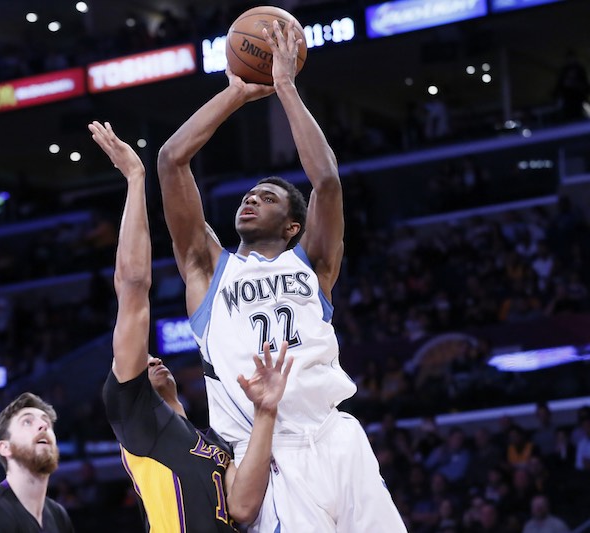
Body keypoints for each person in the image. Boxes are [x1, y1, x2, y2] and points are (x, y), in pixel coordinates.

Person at [157, 19, 405, 532]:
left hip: (336, 436)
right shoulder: (207, 268)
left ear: (293, 226)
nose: (251, 198)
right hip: (265, 452)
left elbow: (327, 180)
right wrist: (235, 94)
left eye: (267, 197)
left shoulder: (312, 263)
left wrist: (286, 86)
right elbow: (171, 161)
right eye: (249, 195)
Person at [90, 120, 292, 531]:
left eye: (150, 357)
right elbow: (133, 287)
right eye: (142, 362)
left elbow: (243, 508)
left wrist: (266, 411)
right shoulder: (137, 417)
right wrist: (134, 179)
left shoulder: (214, 441)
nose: (153, 358)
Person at [0, 392, 74, 532]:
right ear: (5, 448)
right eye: (27, 422)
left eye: (47, 423)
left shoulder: (58, 515)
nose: (43, 425)